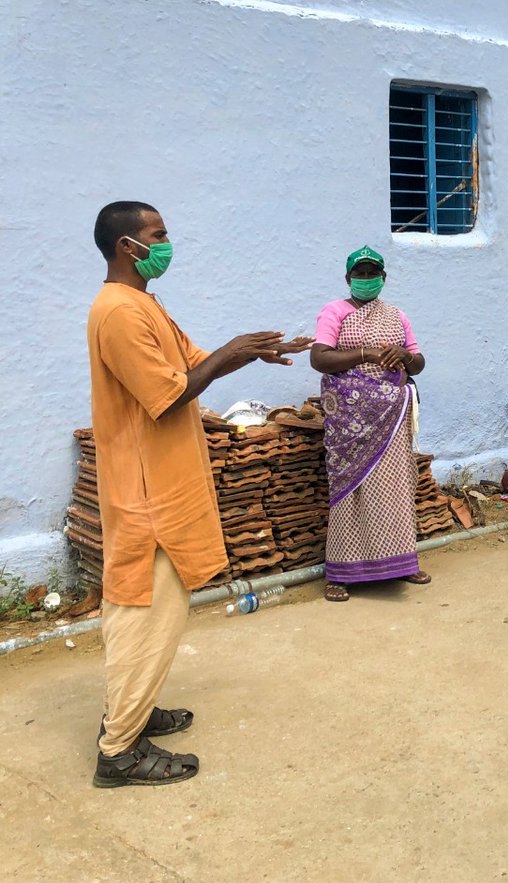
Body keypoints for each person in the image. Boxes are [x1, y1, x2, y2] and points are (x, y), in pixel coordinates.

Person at [88, 201, 310, 787]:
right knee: (144, 614)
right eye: (157, 235)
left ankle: (131, 715)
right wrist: (230, 352)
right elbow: (169, 392)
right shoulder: (117, 313)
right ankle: (119, 752)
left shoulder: (143, 305)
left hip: (160, 484)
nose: (167, 244)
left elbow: (193, 363)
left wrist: (252, 353)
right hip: (146, 494)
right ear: (125, 247)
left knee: (149, 611)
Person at [311, 246, 431, 602]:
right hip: (350, 422)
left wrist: (405, 356)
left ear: (384, 278)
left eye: (373, 273)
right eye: (360, 274)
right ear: (348, 279)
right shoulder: (335, 312)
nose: (367, 279)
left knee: (394, 487)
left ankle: (402, 563)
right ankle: (342, 572)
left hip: (390, 417)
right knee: (350, 489)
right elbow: (320, 358)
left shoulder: (396, 315)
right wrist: (366, 354)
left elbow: (419, 361)